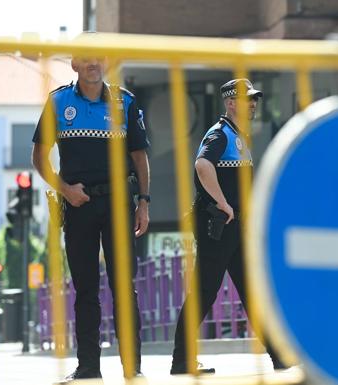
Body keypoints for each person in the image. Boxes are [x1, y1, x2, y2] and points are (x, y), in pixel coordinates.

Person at [31, 52, 151, 382]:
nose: (93, 64)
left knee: (124, 288)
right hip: (79, 207)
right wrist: (65, 190)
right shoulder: (58, 102)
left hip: (119, 205)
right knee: (85, 290)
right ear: (74, 65)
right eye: (86, 59)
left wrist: (144, 203)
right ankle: (88, 369)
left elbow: (139, 158)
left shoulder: (125, 102)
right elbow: (39, 156)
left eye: (99, 58)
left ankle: (133, 370)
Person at [170, 79, 286, 375]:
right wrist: (223, 203)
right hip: (219, 226)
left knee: (253, 290)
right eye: (247, 100)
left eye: (255, 100)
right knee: (205, 291)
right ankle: (181, 361)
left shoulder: (238, 136)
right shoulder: (220, 133)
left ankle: (280, 357)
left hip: (236, 227)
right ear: (230, 103)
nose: (253, 104)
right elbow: (202, 165)